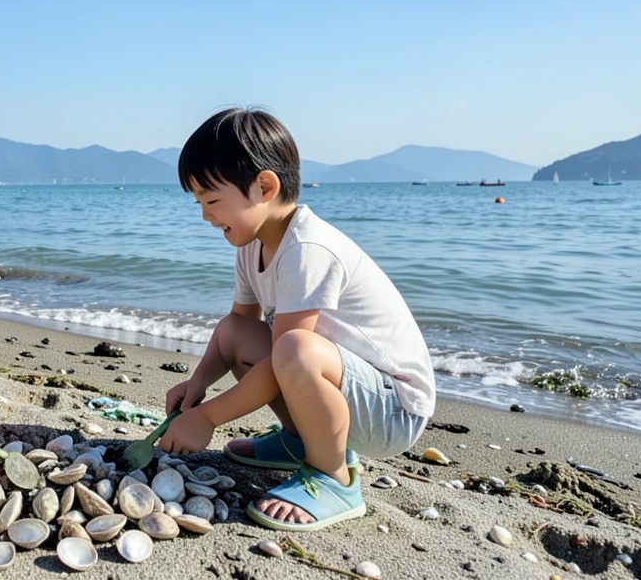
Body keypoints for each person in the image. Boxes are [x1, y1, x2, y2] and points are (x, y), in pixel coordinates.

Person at [158, 108, 435, 532]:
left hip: (394, 408)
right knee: (238, 332)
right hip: (346, 390)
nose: (205, 216)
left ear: (264, 187)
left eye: (212, 201)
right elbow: (238, 329)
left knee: (293, 348)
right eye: (199, 203)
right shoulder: (251, 246)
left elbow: (285, 359)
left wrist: (208, 417)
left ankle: (335, 478)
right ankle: (302, 439)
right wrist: (197, 386)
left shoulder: (309, 249)